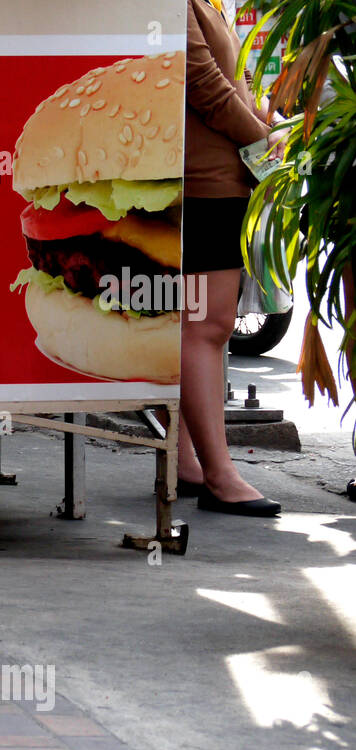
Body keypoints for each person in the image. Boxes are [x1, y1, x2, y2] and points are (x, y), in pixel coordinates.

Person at [179, 0, 283, 516]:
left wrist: (268, 123)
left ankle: (188, 463)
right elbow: (206, 89)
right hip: (203, 182)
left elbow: (228, 82)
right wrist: (264, 139)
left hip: (218, 177)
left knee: (197, 326)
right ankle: (220, 475)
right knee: (207, 327)